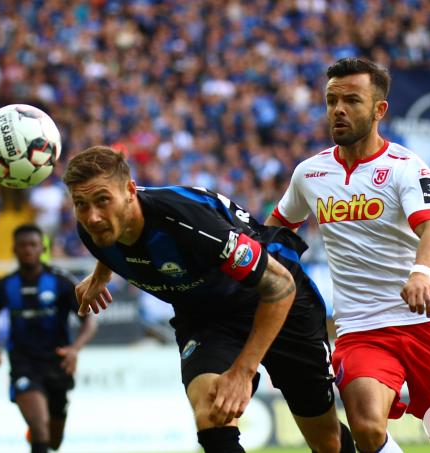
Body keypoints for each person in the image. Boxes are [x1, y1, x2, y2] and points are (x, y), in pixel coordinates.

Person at [65, 146, 354, 453]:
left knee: (327, 442)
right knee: (211, 411)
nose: (92, 216)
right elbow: (114, 238)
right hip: (206, 316)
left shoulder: (187, 223)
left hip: (274, 298)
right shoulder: (91, 228)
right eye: (81, 204)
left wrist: (243, 372)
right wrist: (101, 275)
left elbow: (279, 285)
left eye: (102, 200)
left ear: (130, 191)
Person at [266, 57, 430, 453]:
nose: (338, 110)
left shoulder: (406, 167)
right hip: (361, 328)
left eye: (351, 100)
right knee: (365, 428)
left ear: (379, 109)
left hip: (426, 322)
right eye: (331, 101)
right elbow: (274, 234)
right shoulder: (309, 174)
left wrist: (420, 273)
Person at [0, 224, 97, 453]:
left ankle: (36, 435)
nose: (28, 250)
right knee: (40, 426)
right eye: (23, 245)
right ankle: (36, 431)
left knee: (53, 440)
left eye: (33, 245)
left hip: (57, 363)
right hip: (23, 363)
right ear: (14, 249)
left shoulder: (61, 282)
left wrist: (74, 349)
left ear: (42, 248)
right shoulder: (3, 286)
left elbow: (89, 321)